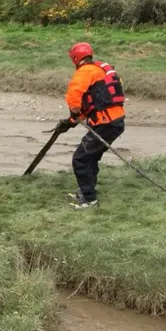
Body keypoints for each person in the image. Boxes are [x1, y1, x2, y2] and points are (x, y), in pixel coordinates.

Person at [55, 42, 126, 209]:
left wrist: (73, 113)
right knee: (91, 157)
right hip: (114, 122)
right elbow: (95, 103)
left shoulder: (85, 71)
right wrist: (72, 122)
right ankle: (86, 191)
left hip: (105, 123)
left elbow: (74, 97)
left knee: (81, 159)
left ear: (75, 58)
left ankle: (89, 200)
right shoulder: (99, 70)